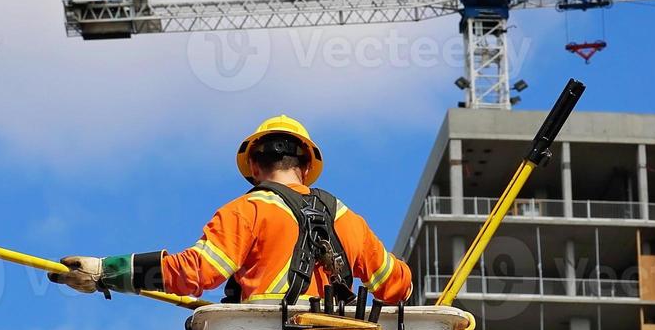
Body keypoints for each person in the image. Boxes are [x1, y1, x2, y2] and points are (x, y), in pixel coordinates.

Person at [53, 116, 413, 306]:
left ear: (254, 167)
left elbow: (196, 273)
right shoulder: (349, 221)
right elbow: (396, 286)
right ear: (306, 167)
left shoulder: (246, 211)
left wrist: (107, 272)